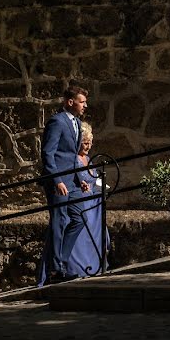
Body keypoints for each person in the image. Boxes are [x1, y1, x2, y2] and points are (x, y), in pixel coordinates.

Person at [38, 121, 110, 285]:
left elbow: (91, 177)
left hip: (89, 200)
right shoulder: (71, 159)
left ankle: (93, 264)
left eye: (90, 142)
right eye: (85, 143)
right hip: (75, 198)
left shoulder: (87, 158)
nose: (88, 146)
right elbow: (70, 174)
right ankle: (61, 267)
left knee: (92, 218)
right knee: (74, 220)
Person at [38, 85, 88, 285]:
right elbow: (48, 154)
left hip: (73, 182)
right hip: (58, 182)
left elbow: (72, 156)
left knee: (79, 218)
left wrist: (80, 178)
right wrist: (57, 180)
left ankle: (62, 263)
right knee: (59, 222)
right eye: (82, 102)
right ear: (70, 102)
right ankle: (55, 271)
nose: (85, 105)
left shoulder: (76, 122)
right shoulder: (57, 122)